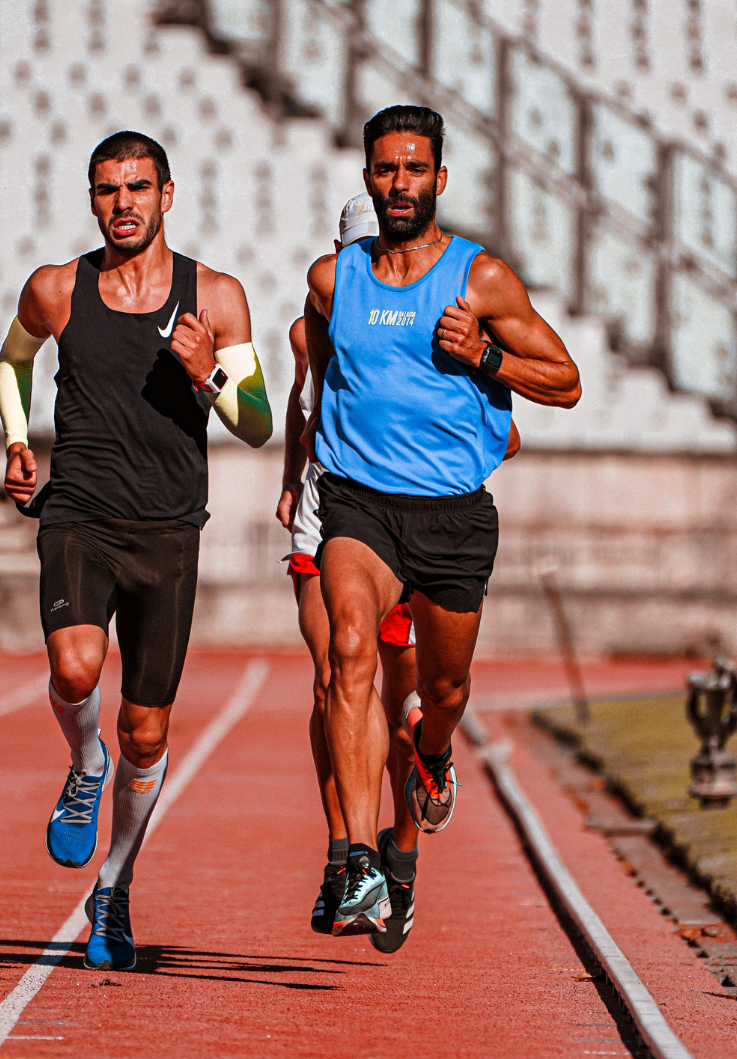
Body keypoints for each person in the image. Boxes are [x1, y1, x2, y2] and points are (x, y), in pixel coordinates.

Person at [0, 131, 272, 971]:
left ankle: (112, 889)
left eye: (139, 187)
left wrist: (209, 375)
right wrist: (16, 439)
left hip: (168, 530)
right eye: (109, 189)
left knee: (147, 735)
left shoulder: (215, 297)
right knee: (75, 672)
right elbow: (12, 362)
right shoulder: (55, 289)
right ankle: (85, 762)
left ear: (167, 194)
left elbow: (258, 425)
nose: (125, 203)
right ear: (92, 200)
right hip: (78, 513)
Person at [303, 106, 580, 935]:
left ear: (439, 179)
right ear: (367, 179)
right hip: (360, 503)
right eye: (385, 169)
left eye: (414, 169)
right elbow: (322, 382)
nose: (399, 184)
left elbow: (566, 382)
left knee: (442, 691)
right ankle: (353, 861)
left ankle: (429, 755)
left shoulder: (479, 279)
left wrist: (483, 357)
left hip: (453, 516)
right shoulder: (330, 280)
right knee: (349, 648)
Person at [280, 193, 520, 950]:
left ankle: (402, 854)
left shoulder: (442, 309)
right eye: (354, 251)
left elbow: (507, 433)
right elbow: (304, 403)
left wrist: (444, 436)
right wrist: (295, 478)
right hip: (343, 508)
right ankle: (346, 859)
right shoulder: (317, 315)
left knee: (412, 700)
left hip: (430, 514)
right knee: (337, 677)